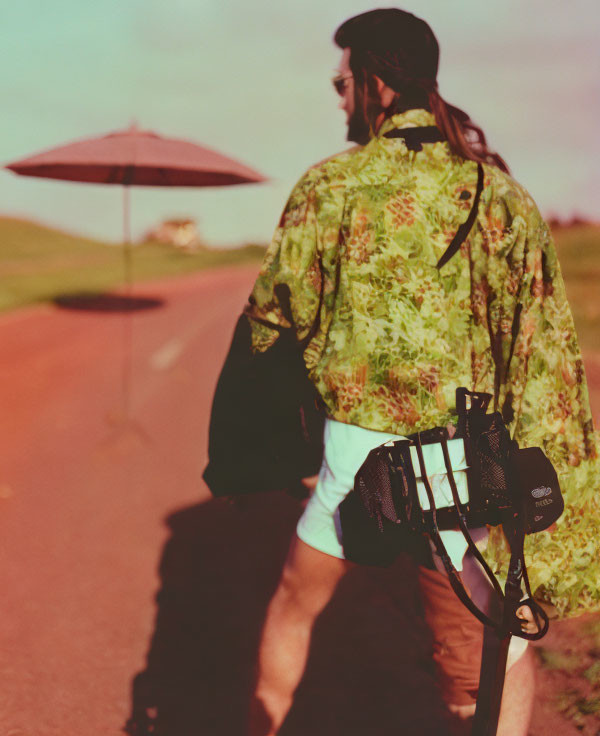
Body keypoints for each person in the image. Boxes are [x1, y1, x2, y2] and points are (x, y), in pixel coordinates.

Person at [238, 9, 600, 736]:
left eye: (340, 82)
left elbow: (273, 321)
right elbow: (540, 347)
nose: (338, 97)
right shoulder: (500, 196)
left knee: (294, 603)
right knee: (487, 658)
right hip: (462, 465)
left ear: (373, 83)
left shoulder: (329, 187)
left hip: (352, 454)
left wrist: (273, 436)